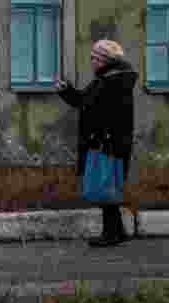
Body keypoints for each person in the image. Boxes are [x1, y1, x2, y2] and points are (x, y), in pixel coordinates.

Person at [54, 39, 138, 247]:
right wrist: (67, 91)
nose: (91, 61)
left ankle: (111, 234)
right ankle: (116, 231)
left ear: (104, 59)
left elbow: (110, 115)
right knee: (105, 188)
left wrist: (103, 138)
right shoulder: (105, 79)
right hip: (104, 142)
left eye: (94, 57)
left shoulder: (114, 81)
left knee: (105, 188)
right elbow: (85, 101)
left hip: (108, 143)